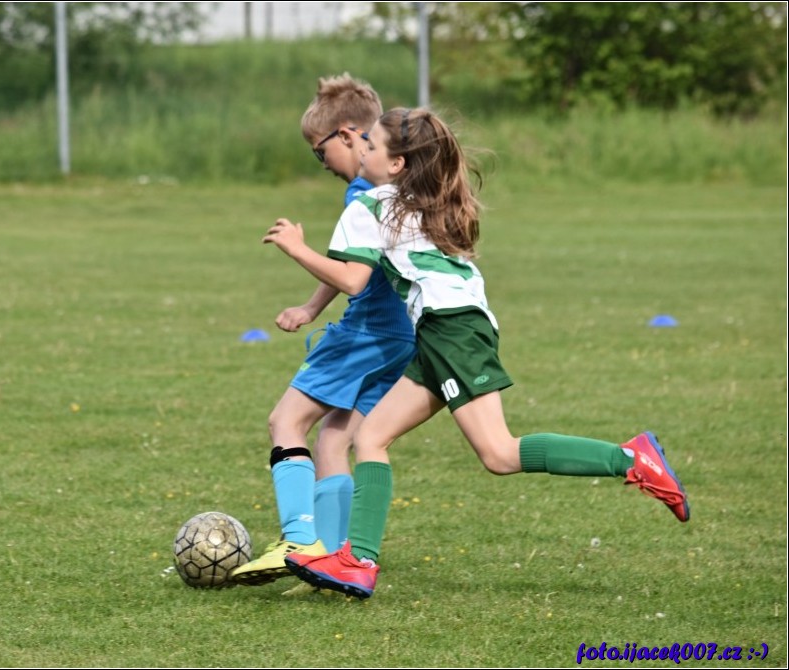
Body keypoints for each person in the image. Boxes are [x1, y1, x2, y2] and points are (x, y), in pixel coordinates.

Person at [261, 107, 690, 600]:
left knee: (500, 453)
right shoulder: (425, 199)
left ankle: (630, 458)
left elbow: (354, 280)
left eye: (373, 146)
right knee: (372, 437)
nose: (363, 151)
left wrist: (296, 246)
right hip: (453, 327)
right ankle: (358, 560)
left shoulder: (371, 205)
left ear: (397, 164)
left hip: (451, 330)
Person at [230, 75, 417, 591]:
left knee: (285, 422)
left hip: (364, 333)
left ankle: (297, 538)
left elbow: (353, 276)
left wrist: (296, 248)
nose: (324, 164)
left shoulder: (363, 194)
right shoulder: (400, 187)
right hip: (402, 338)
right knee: (335, 440)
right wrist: (311, 307)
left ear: (350, 134)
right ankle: (332, 562)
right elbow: (366, 265)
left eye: (320, 153)